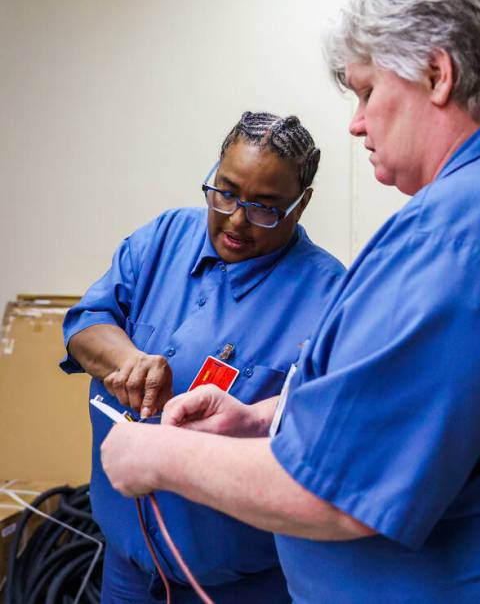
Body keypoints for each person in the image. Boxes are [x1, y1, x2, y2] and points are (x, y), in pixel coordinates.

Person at [98, 0, 480, 603]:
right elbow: (421, 402)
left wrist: (153, 456)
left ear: (437, 75)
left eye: (366, 93)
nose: (356, 124)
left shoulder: (463, 236)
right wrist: (263, 418)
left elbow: (337, 493)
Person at [61, 112, 345, 603]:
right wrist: (127, 359)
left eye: (265, 208)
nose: (236, 218)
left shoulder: (331, 297)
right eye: (226, 191)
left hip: (242, 586)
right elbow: (85, 324)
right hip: (127, 572)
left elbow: (325, 439)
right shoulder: (163, 238)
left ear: (301, 205)